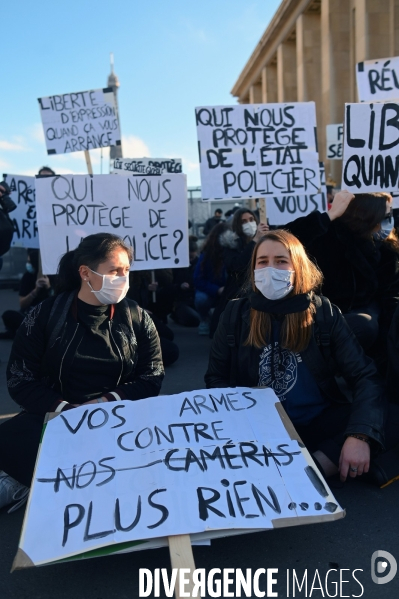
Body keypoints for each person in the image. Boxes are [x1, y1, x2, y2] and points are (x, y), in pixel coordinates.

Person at [205, 229, 399, 485]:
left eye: (281, 261)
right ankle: (319, 469)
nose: (270, 268)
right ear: (253, 269)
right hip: (259, 426)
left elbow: (364, 376)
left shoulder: (323, 312)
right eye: (262, 262)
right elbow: (215, 379)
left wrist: (359, 435)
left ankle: (312, 469)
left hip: (317, 422)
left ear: (297, 266)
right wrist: (247, 418)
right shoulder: (234, 313)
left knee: (387, 416)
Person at [0, 233, 164, 512]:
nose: (123, 278)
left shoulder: (137, 316)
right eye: (114, 271)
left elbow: (152, 375)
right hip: (55, 420)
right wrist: (66, 409)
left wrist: (103, 404)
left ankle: (45, 481)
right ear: (85, 273)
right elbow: (20, 379)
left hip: (119, 420)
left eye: (126, 270)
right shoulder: (44, 315)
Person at [286, 190, 399, 370]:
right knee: (364, 325)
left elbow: (390, 295)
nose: (389, 222)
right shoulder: (329, 236)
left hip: (371, 315)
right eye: (385, 216)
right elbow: (287, 239)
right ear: (368, 215)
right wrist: (328, 216)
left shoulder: (387, 250)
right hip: (326, 316)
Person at [0, 249, 52, 339]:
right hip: (28, 315)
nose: (28, 264)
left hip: (45, 317)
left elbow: (58, 300)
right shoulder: (27, 277)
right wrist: (35, 291)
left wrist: (48, 288)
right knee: (8, 315)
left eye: (29, 262)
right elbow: (22, 304)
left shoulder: (51, 277)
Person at [194, 222, 228, 335]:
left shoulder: (235, 253)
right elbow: (198, 280)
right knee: (201, 299)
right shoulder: (207, 256)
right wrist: (216, 290)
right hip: (212, 292)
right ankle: (204, 319)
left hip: (229, 291)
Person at [170, 236, 201, 327]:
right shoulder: (178, 265)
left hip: (194, 297)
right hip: (183, 299)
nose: (190, 260)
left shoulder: (199, 264)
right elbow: (171, 284)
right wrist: (180, 286)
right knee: (194, 319)